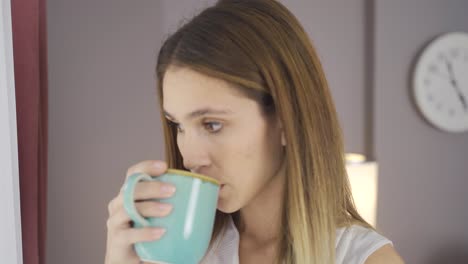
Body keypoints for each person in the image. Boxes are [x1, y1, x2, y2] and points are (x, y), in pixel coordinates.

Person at [105, 0, 405, 263]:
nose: (190, 158)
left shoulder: (365, 260)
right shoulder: (178, 255)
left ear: (287, 121)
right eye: (178, 126)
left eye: (212, 124)